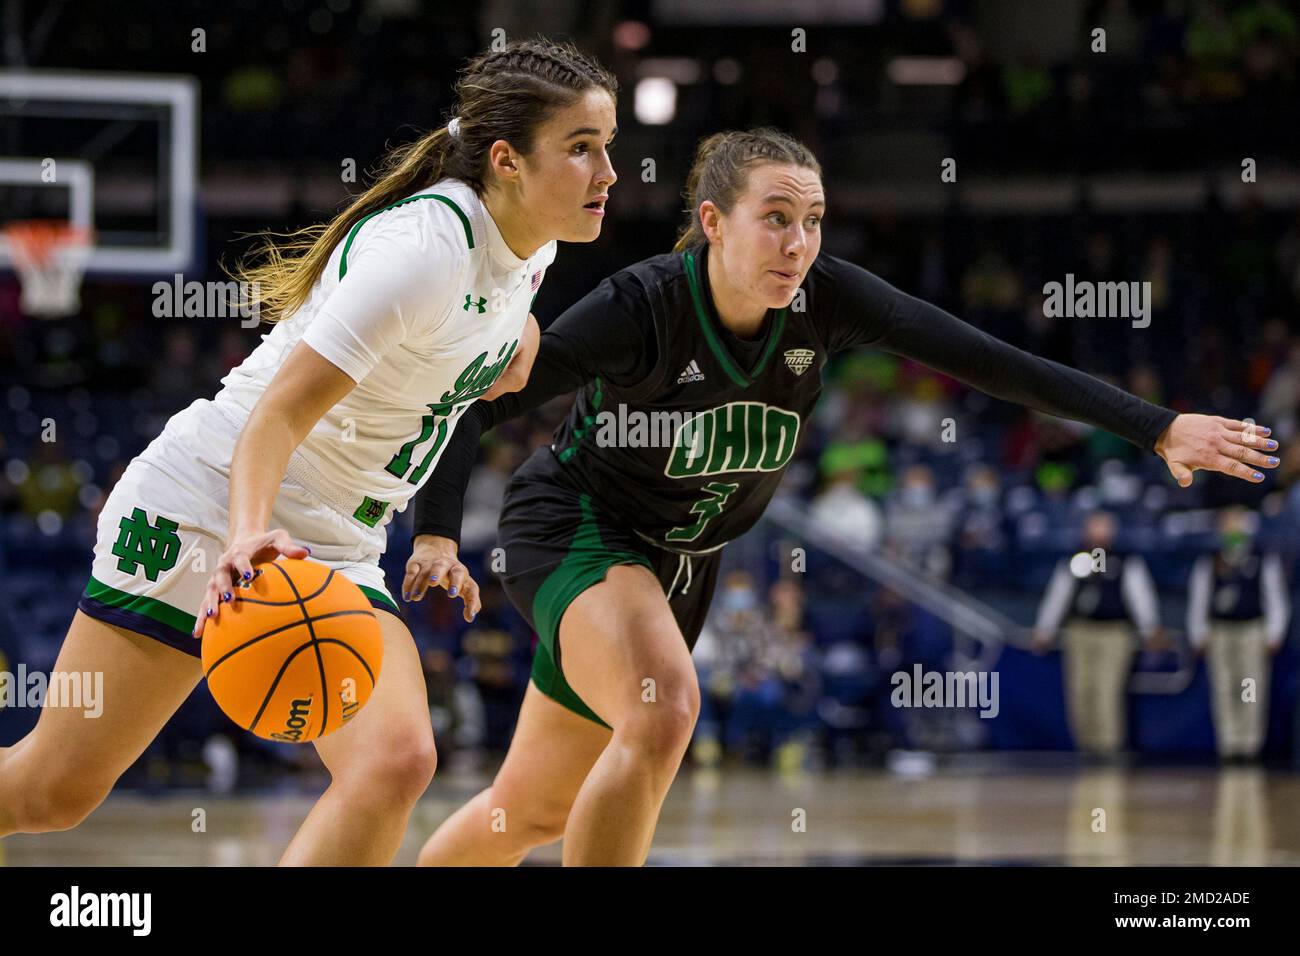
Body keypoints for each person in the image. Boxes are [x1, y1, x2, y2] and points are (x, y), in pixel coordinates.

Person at [406, 128, 1280, 866]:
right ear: (712, 223)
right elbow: (476, 404)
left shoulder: (824, 303)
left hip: (685, 563)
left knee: (528, 812)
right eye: (775, 219)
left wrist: (1156, 427)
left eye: (813, 222)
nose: (797, 244)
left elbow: (992, 362)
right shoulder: (641, 307)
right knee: (664, 709)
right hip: (578, 527)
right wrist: (438, 536)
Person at [0, 38, 619, 866]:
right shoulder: (422, 253)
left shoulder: (532, 252)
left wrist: (434, 531)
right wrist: (248, 532)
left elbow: (458, 405)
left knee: (396, 761)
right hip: (215, 499)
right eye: (583, 149)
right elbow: (276, 418)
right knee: (51, 792)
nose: (610, 173)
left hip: (337, 539)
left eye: (608, 147)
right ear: (506, 161)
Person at [1032, 510, 1162, 756]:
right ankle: (1086, 745)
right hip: (1080, 630)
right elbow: (1058, 596)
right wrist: (1044, 630)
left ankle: (1109, 745)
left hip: (1114, 632)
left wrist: (1149, 628)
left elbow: (1140, 595)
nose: (1098, 533)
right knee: (1081, 689)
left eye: (1103, 527)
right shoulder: (1075, 559)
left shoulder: (1125, 561)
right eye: (1094, 527)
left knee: (1107, 689)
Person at [1187, 505, 1290, 761]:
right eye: (1227, 524)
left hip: (1251, 630)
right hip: (1220, 630)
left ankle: (1249, 744)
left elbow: (1275, 598)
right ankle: (1229, 744)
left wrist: (1274, 633)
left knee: (1250, 686)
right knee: (1224, 686)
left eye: (1237, 524)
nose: (1232, 529)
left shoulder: (1260, 559)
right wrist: (1198, 633)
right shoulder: (1210, 561)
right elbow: (1199, 599)